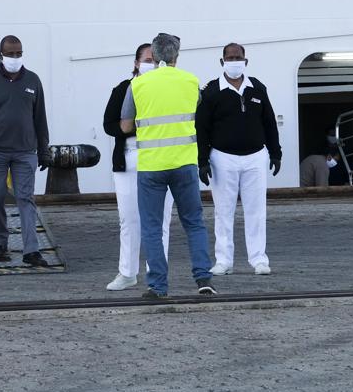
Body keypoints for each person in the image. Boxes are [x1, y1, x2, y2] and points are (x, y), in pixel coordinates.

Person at [119, 33, 215, 299]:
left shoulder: (137, 85)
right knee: (194, 223)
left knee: (151, 227)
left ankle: (157, 286)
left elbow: (126, 125)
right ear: (176, 56)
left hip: (151, 166)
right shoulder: (191, 81)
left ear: (156, 56)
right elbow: (194, 109)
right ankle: (203, 278)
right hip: (184, 163)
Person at [196, 43, 282, 276]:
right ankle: (224, 260)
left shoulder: (258, 88)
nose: (235, 60)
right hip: (222, 159)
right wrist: (202, 160)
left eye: (238, 57)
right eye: (230, 57)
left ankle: (258, 259)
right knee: (224, 211)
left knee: (256, 209)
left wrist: (276, 152)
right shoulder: (211, 91)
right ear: (222, 61)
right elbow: (201, 128)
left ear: (246, 60)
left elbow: (269, 121)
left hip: (255, 157)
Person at [0, 35, 51, 268]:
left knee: (25, 198)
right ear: (0, 55)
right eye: (10, 54)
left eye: (18, 53)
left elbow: (40, 119)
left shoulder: (34, 81)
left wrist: (43, 150)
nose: (14, 57)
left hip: (26, 151)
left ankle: (31, 250)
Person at [101, 43, 173, 291]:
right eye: (147, 60)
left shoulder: (167, 89)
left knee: (160, 220)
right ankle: (127, 272)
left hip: (161, 157)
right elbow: (110, 124)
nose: (151, 64)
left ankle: (157, 272)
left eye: (155, 60)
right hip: (129, 157)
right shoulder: (123, 89)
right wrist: (129, 126)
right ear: (136, 62)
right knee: (129, 218)